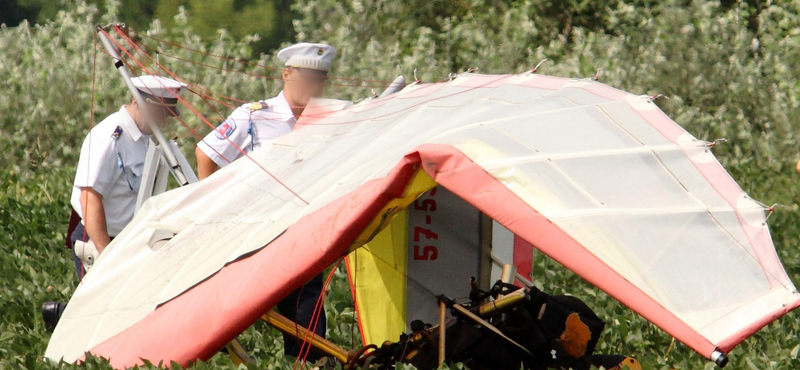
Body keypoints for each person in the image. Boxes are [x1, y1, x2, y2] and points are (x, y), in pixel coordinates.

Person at [195, 42, 336, 361]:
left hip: (303, 230)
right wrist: (212, 207)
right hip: (254, 231)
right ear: (287, 74)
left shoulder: (328, 120)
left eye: (320, 79)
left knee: (306, 313)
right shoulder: (254, 116)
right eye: (307, 76)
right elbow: (206, 153)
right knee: (229, 311)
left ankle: (307, 365)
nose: (313, 85)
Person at [42, 75, 187, 332]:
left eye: (167, 114)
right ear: (138, 101)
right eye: (159, 112)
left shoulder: (143, 139)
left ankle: (65, 316)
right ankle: (61, 317)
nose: (163, 121)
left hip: (128, 239)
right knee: (103, 320)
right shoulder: (111, 137)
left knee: (128, 314)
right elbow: (89, 197)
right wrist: (108, 254)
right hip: (101, 240)